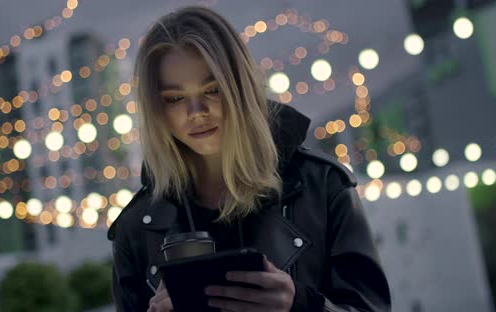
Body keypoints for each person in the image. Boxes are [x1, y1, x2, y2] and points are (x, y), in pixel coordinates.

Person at [107, 5, 391, 312]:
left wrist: (300, 305)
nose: (196, 112)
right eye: (175, 98)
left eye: (212, 90)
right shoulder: (135, 230)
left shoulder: (322, 188)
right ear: (156, 110)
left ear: (239, 86)